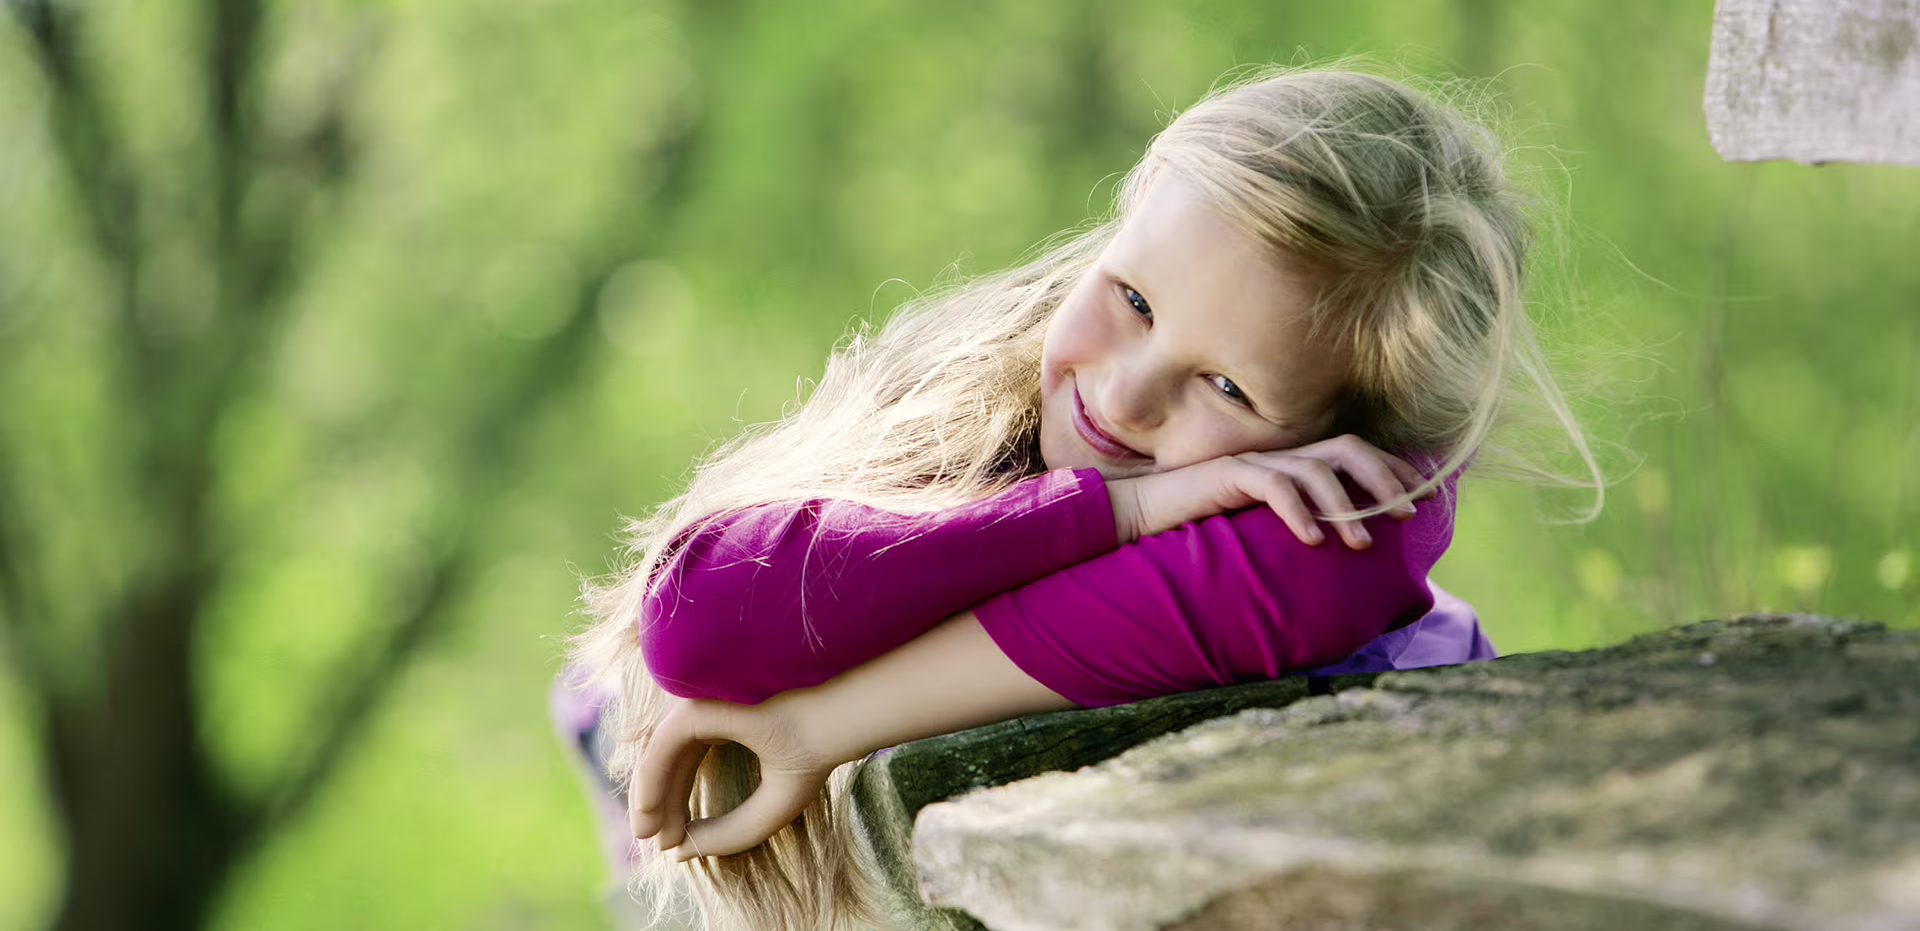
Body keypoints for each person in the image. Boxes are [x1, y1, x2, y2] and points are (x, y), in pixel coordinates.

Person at [559, 63, 1598, 930]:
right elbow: (701, 623)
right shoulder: (959, 406)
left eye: (1229, 388)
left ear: (1352, 445)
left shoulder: (1326, 547)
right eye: (1133, 299)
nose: (1124, 393)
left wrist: (816, 728)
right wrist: (1121, 511)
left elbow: (1363, 553)